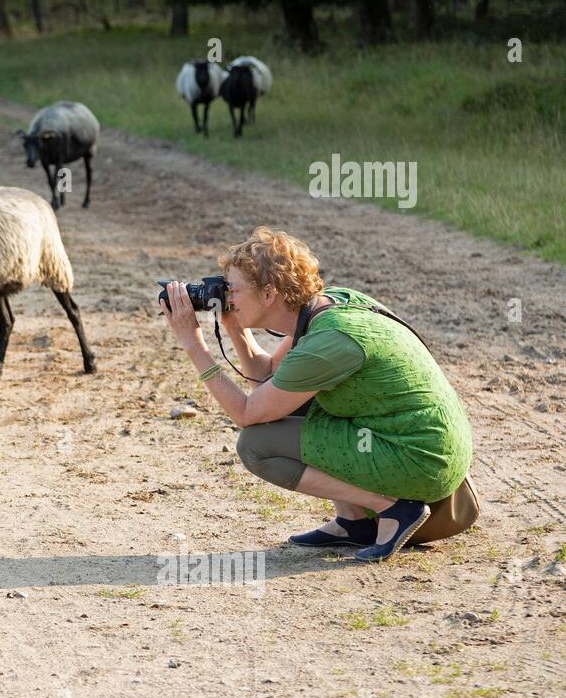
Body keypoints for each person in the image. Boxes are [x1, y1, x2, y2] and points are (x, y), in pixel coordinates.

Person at [159, 226, 472, 562]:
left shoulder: (328, 341)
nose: (228, 297)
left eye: (233, 290)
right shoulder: (330, 305)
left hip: (421, 460)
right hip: (422, 441)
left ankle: (395, 509)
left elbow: (246, 413)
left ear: (269, 294)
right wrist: (234, 325)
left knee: (255, 446)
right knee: (290, 401)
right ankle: (354, 522)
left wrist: (193, 343)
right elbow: (266, 375)